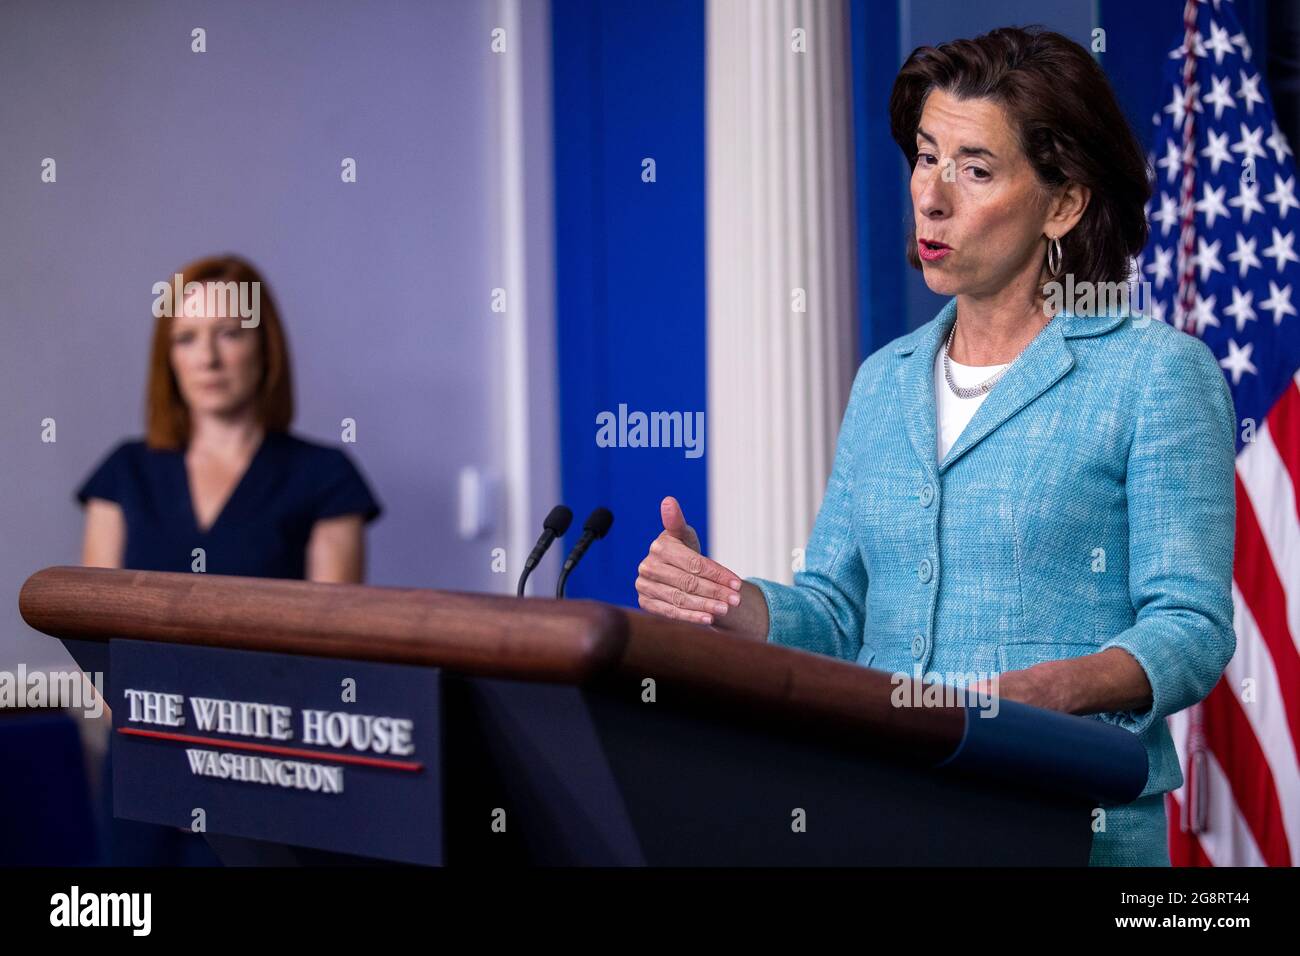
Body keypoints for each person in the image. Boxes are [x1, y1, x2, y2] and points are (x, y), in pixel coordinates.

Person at [634, 27, 1236, 866]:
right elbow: (839, 614)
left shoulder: (1155, 374)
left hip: (1063, 817)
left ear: (1062, 203)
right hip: (884, 805)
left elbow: (1192, 627)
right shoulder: (885, 379)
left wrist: (1041, 692)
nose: (932, 197)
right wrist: (730, 601)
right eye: (926, 157)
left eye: (975, 169)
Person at [75, 254, 383, 863]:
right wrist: (153, 731)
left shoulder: (324, 477)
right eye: (186, 338)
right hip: (144, 762)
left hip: (269, 771)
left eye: (229, 334)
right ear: (168, 357)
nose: (208, 358)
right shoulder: (126, 472)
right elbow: (91, 635)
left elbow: (329, 649)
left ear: (264, 346)